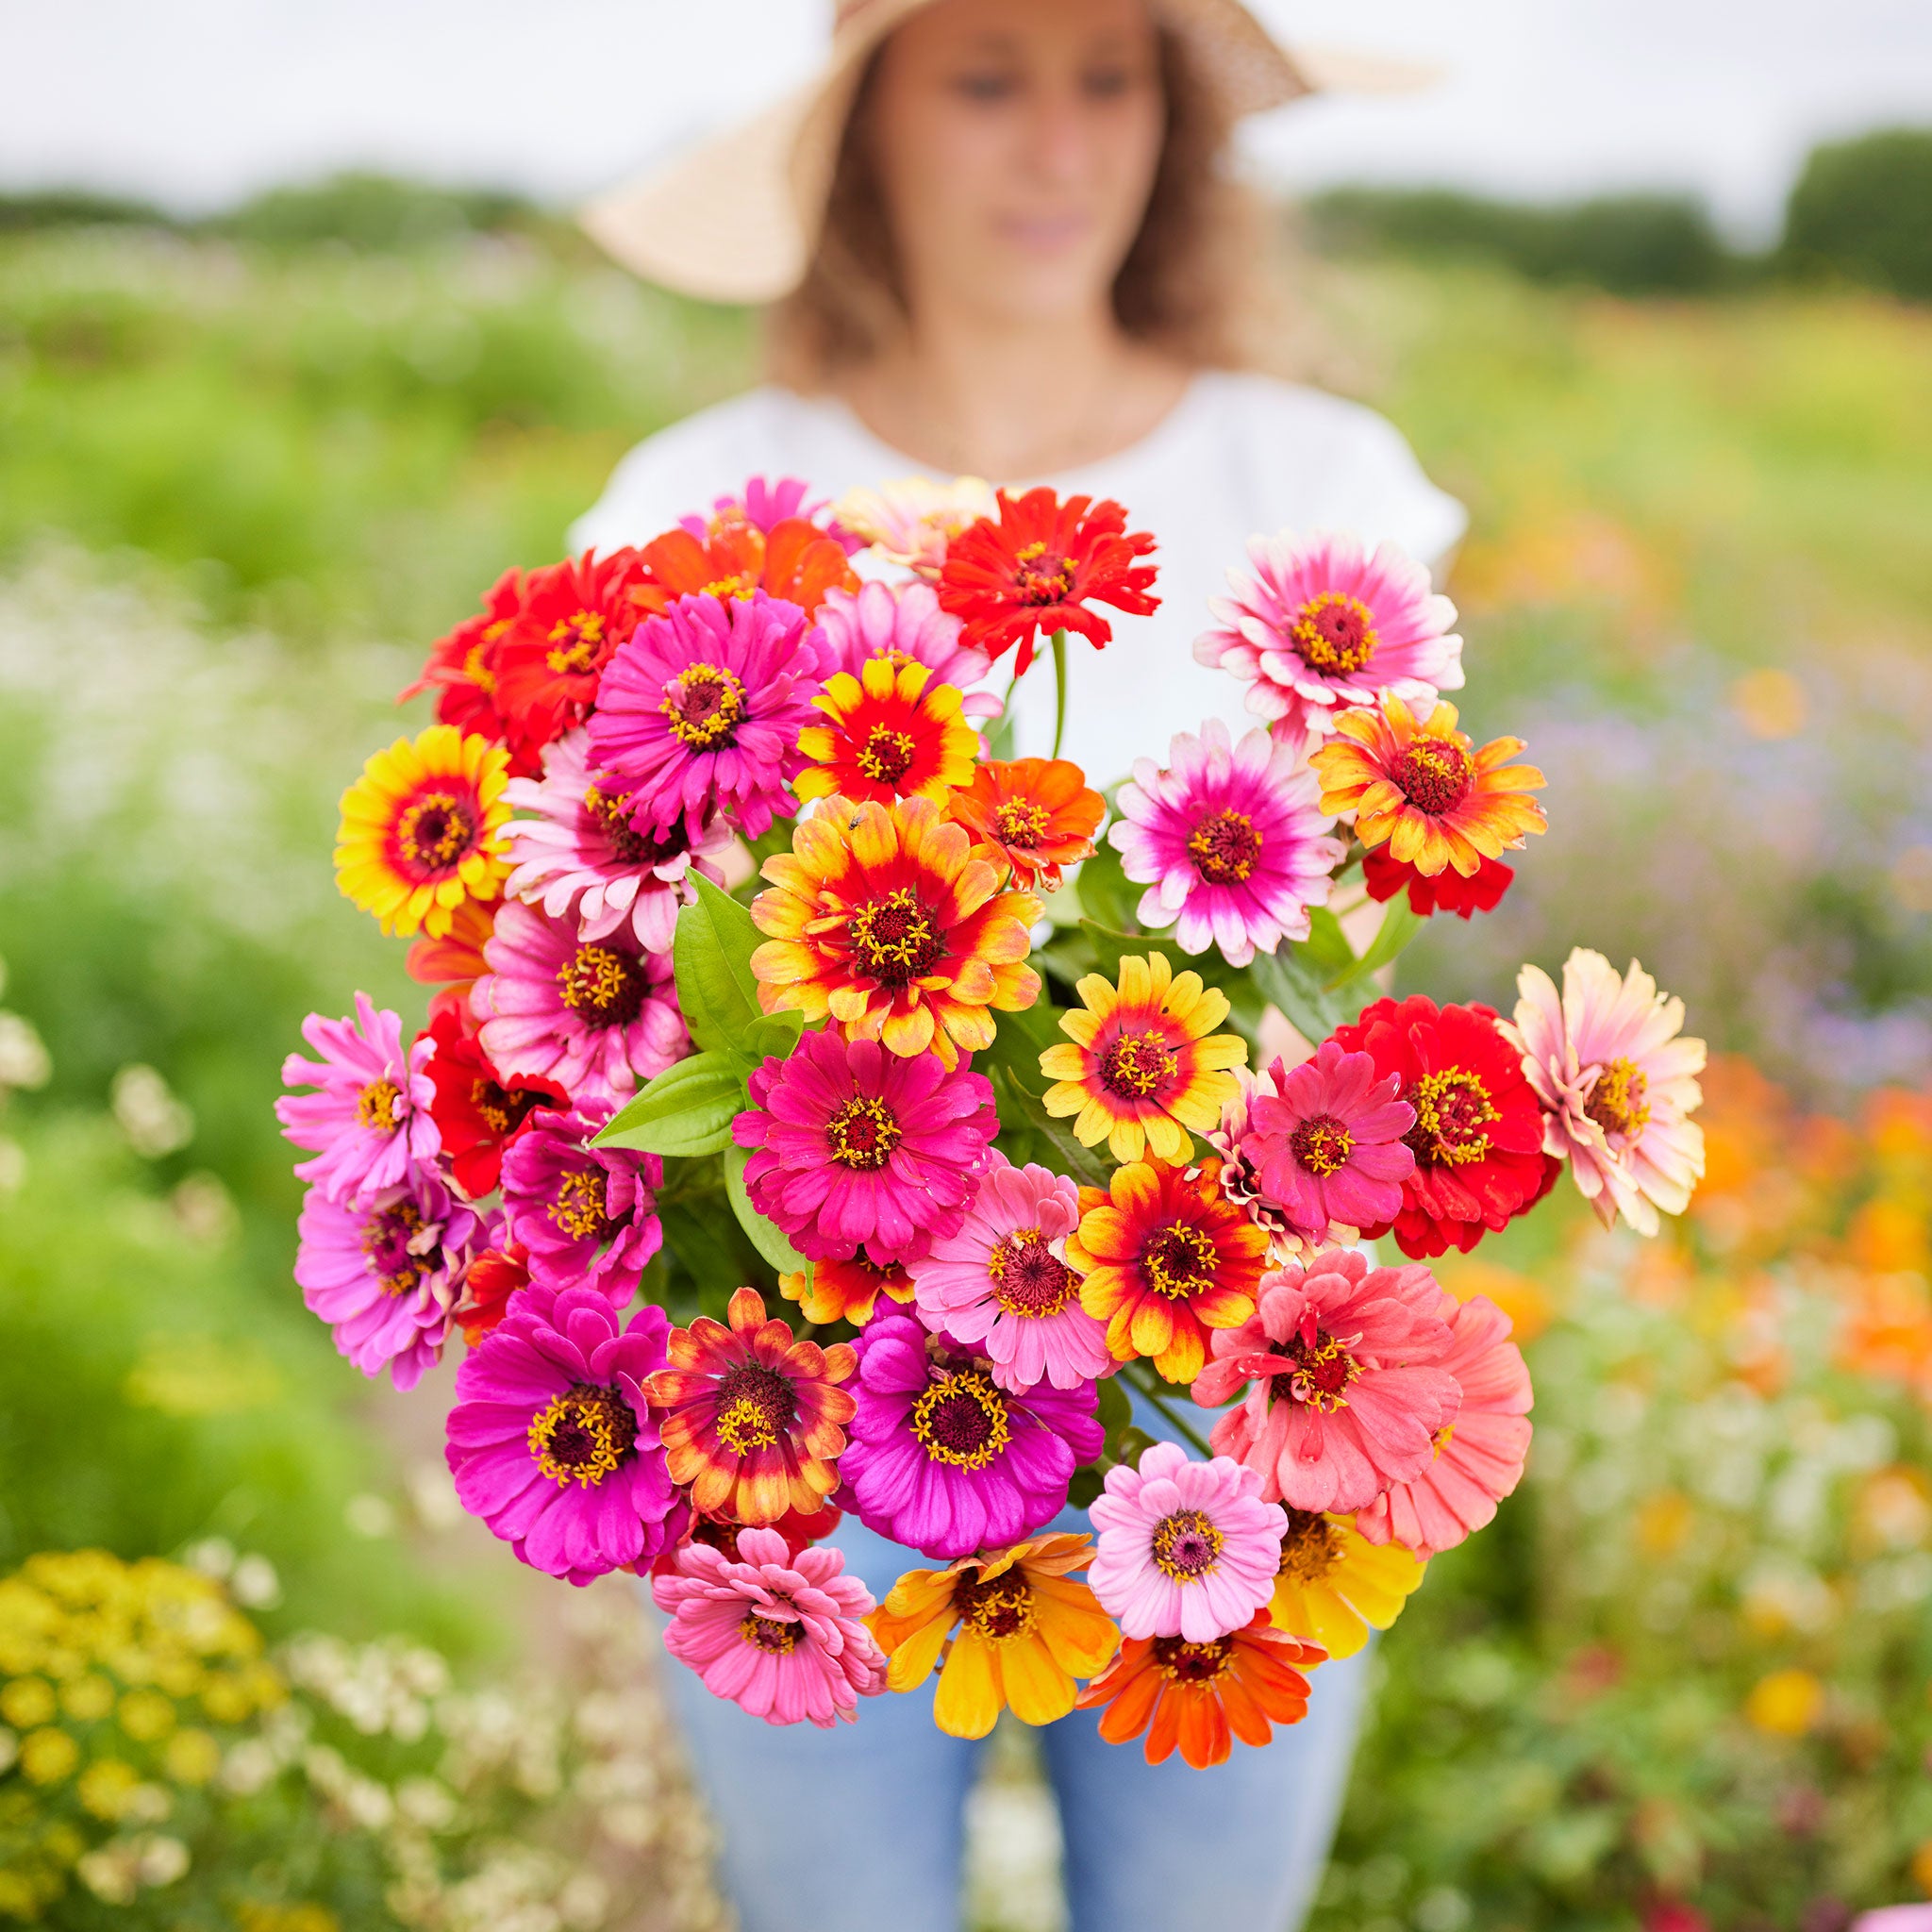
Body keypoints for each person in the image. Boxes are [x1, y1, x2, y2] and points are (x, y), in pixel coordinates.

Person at [572, 4, 1465, 1927]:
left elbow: (1376, 911)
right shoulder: (706, 495)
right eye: (984, 76)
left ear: (1178, 118)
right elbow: (608, 924)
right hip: (799, 1399)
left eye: (1108, 74)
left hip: (1217, 1386)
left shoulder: (1316, 480)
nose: (1058, 140)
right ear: (862, 131)